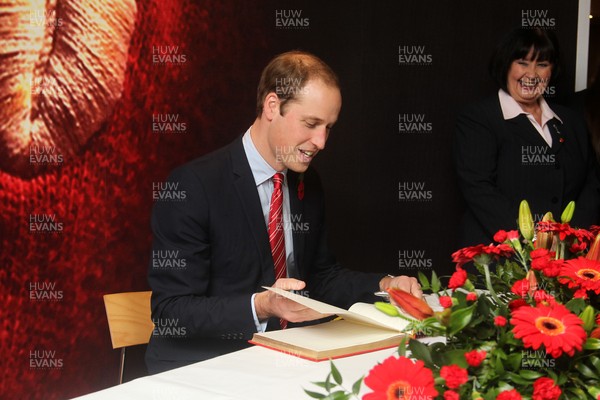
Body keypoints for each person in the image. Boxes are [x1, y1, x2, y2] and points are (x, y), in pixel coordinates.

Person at [145, 51, 421, 373]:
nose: (321, 142)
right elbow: (171, 310)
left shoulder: (308, 182)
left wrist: (385, 284)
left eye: (328, 127)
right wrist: (263, 306)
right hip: (205, 367)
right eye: (311, 123)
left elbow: (322, 277)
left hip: (284, 359)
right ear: (272, 106)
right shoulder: (193, 185)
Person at [453, 28, 600, 247]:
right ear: (506, 65)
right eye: (522, 62)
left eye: (542, 64)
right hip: (501, 258)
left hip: (563, 260)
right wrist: (534, 242)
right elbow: (479, 189)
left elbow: (592, 184)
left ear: (552, 70)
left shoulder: (571, 120)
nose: (532, 74)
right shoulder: (479, 119)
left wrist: (570, 240)